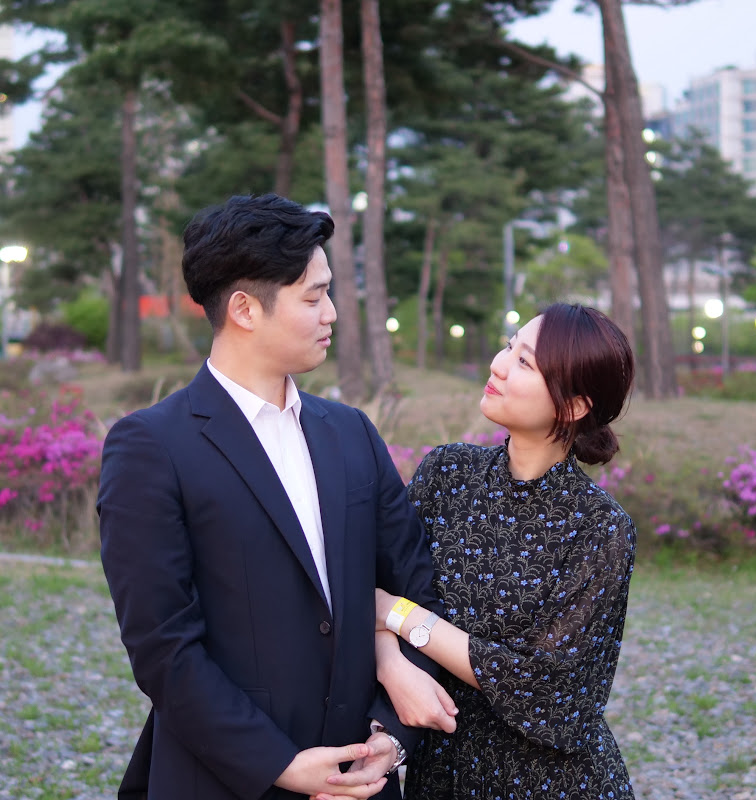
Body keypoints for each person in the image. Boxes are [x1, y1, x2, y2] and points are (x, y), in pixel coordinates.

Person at [97, 193, 456, 800]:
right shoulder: (152, 446)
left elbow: (416, 587)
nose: (331, 313)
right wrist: (279, 765)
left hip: (362, 776)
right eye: (313, 298)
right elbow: (163, 647)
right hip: (223, 780)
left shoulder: (351, 433)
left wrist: (390, 737)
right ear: (244, 309)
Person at [367, 303, 638, 800]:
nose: (498, 364)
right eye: (510, 346)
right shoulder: (447, 474)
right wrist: (390, 661)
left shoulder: (601, 528)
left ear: (573, 406)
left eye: (524, 362)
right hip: (440, 775)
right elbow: (377, 586)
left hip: (550, 784)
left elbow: (548, 691)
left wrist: (402, 617)